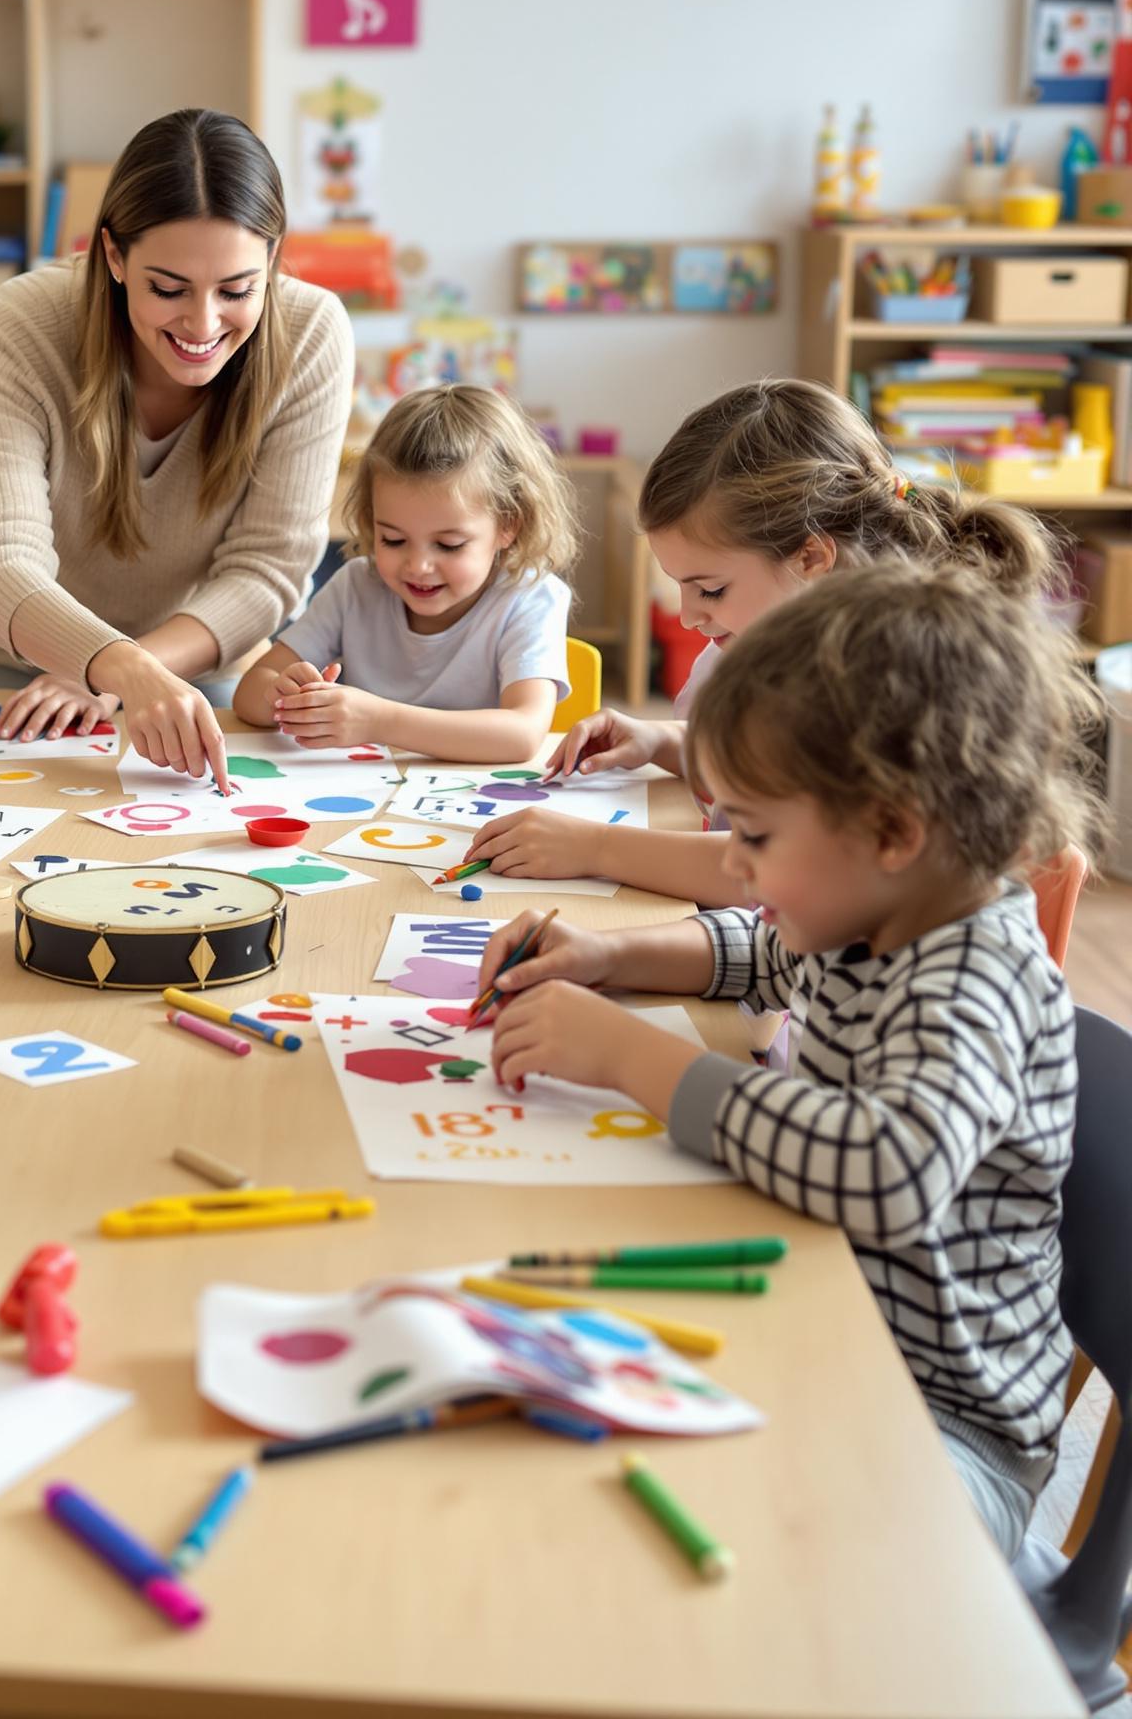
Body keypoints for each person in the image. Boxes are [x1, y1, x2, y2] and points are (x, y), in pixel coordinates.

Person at [472, 563, 1095, 1560]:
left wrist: (637, 1059)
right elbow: (766, 954)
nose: (730, 864)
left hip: (938, 1426)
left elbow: (889, 1170)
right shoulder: (877, 911)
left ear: (892, 829)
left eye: (754, 835)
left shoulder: (974, 976)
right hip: (821, 1326)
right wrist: (611, 956)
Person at [463, 377, 1049, 902]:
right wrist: (662, 740)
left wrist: (593, 848)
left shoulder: (876, 692)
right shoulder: (761, 647)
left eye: (710, 590)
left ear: (812, 557)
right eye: (680, 589)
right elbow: (762, 774)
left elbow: (768, 869)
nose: (690, 616)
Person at [0, 107, 354, 785]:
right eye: (168, 289)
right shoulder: (14, 328)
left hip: (196, 669)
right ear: (113, 256)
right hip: (18, 668)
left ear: (273, 261)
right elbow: (0, 564)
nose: (203, 323)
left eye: (238, 290)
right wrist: (113, 666)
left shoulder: (311, 334)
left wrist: (124, 676)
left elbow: (269, 571)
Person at [233, 384, 580, 761]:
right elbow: (249, 694)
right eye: (393, 540)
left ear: (508, 525)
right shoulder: (356, 587)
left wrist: (379, 721)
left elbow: (522, 734)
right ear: (371, 520)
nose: (418, 566)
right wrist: (284, 696)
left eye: (448, 545)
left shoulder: (528, 597)